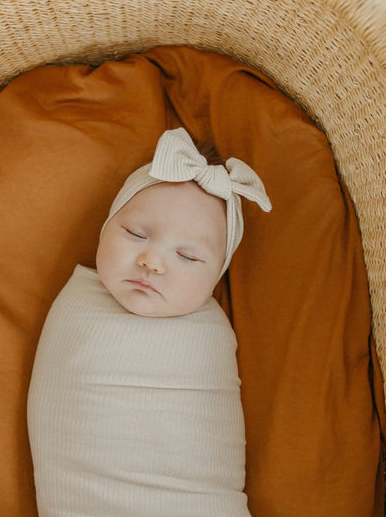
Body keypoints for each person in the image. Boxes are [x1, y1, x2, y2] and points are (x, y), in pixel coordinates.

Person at [27, 127, 271, 516]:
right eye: (136, 233)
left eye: (188, 257)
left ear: (216, 278)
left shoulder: (209, 333)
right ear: (105, 227)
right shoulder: (76, 305)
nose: (152, 262)